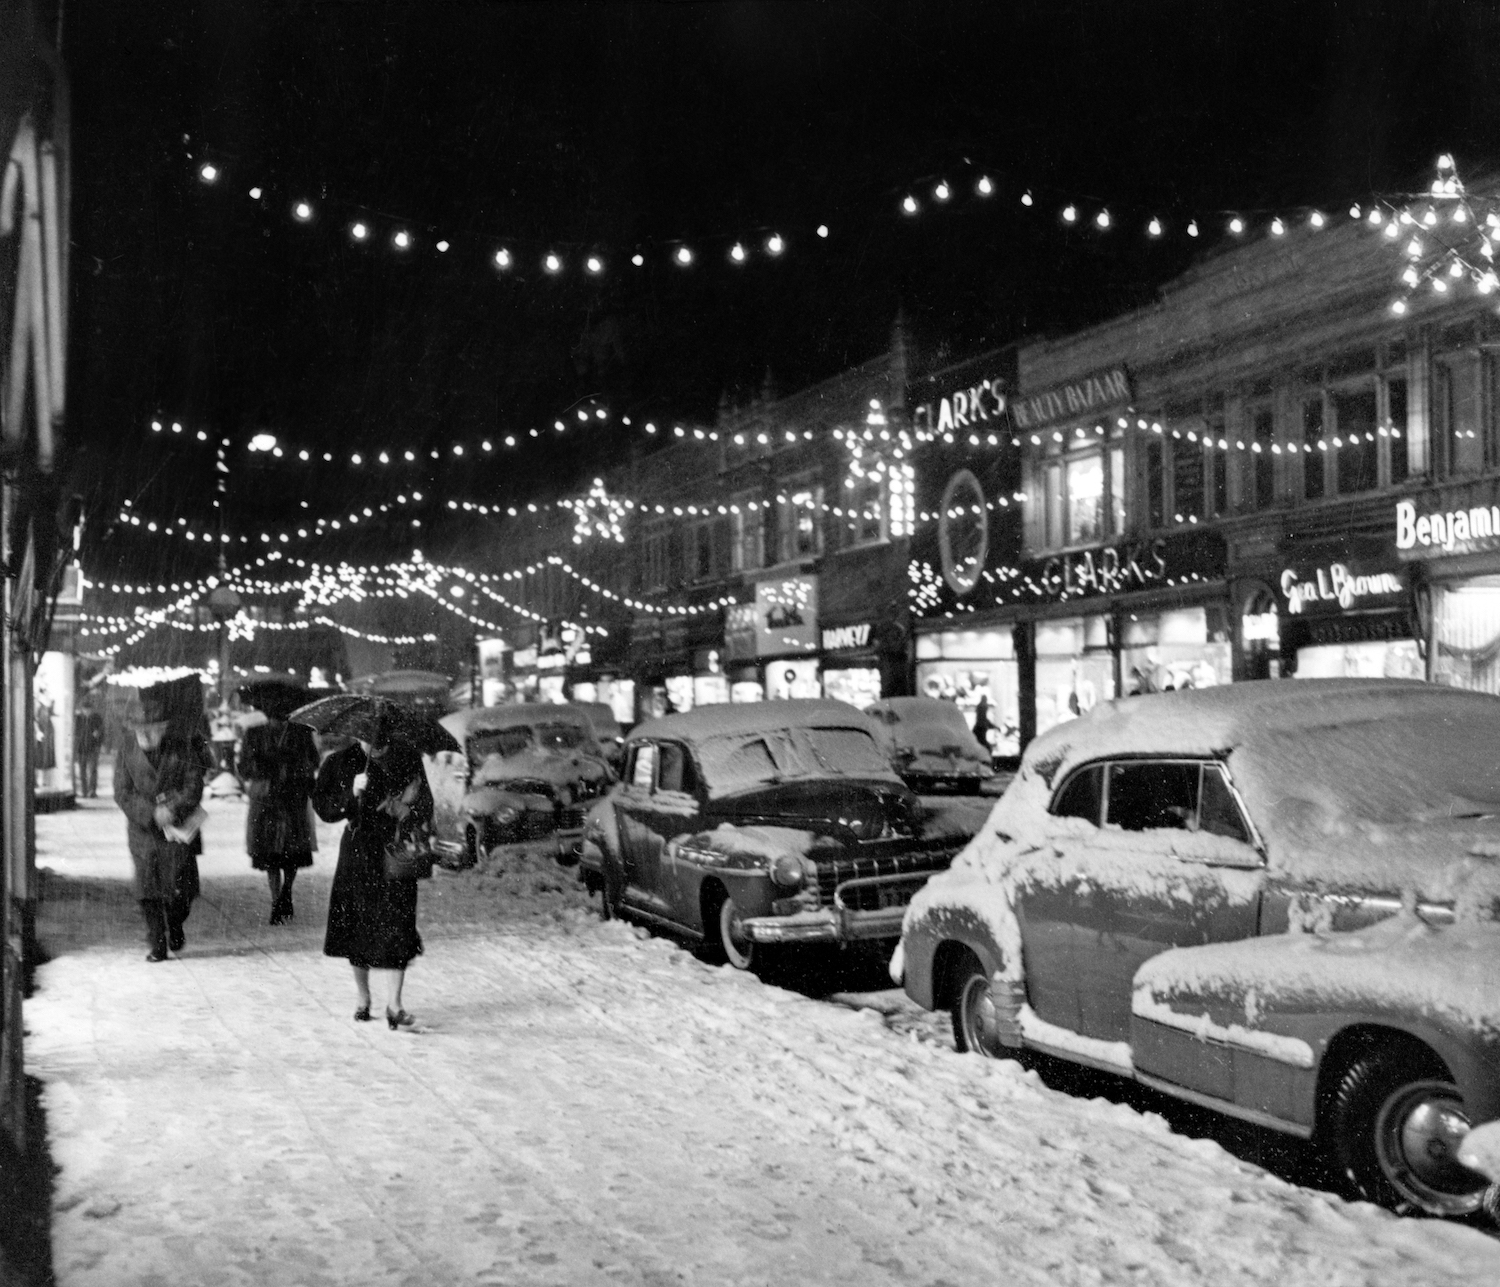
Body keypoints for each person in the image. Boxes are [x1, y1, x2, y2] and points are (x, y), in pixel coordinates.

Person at [313, 716, 430, 1029]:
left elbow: (426, 805)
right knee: (358, 924)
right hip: (358, 851)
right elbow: (323, 808)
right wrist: (350, 795)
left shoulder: (406, 759)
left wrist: (404, 810)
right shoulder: (339, 762)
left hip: (393, 851)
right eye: (366, 734)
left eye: (380, 734)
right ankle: (363, 997)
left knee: (398, 923)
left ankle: (395, 1004)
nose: (373, 740)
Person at [113, 687, 208, 962]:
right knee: (147, 889)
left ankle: (176, 922)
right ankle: (157, 941)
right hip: (143, 831)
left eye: (152, 728)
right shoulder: (127, 750)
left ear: (164, 728)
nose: (145, 734)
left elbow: (194, 785)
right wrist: (150, 813)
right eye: (140, 728)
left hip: (177, 830)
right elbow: (122, 792)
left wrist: (173, 808)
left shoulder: (182, 748)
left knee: (181, 890)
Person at [239, 711, 318, 924]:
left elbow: (313, 761)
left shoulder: (301, 733)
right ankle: (276, 901)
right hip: (265, 797)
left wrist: (294, 767)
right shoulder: (253, 734)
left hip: (292, 797)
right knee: (269, 851)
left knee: (293, 850)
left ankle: (287, 892)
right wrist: (263, 765)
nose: (276, 718)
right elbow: (244, 768)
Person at [74, 698, 105, 798]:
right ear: (82, 709)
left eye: (89, 709)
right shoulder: (78, 719)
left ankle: (91, 791)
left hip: (93, 748)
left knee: (92, 770)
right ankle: (84, 791)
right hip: (81, 748)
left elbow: (102, 731)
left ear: (92, 709)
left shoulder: (96, 718)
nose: (87, 711)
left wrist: (98, 740)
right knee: (82, 771)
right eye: (85, 709)